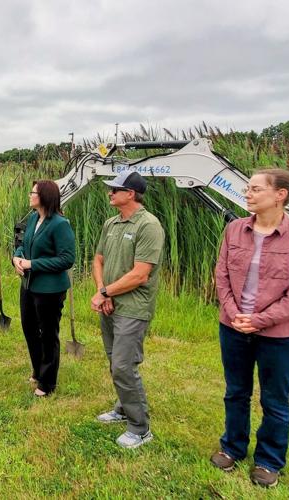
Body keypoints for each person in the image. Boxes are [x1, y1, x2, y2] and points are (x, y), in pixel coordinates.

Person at [209, 168, 289, 488]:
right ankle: (232, 447)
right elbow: (222, 276)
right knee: (236, 392)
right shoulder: (234, 230)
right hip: (233, 327)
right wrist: (233, 313)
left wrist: (258, 320)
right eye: (248, 189)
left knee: (275, 399)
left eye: (255, 189)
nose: (248, 194)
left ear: (279, 195)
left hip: (279, 334)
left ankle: (269, 460)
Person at [90, 171, 164, 449]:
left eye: (115, 189)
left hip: (133, 307)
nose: (110, 193)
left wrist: (106, 292)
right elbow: (98, 259)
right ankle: (123, 407)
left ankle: (140, 427)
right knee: (115, 361)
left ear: (130, 194)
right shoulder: (111, 223)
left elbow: (140, 274)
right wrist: (102, 291)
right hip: (108, 302)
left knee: (123, 364)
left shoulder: (149, 225)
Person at [12, 180, 76, 397]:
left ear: (45, 197)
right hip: (28, 285)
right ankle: (38, 370)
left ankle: (48, 383)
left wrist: (33, 264)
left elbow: (67, 259)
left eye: (33, 192)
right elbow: (23, 244)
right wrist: (18, 258)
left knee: (48, 334)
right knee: (29, 329)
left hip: (50, 289)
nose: (30, 195)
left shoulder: (60, 224)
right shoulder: (33, 218)